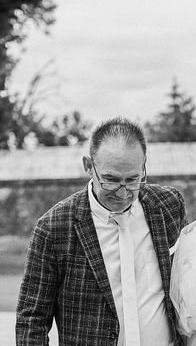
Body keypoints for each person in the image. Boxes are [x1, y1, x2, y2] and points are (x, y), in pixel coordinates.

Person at [16, 117, 187, 346]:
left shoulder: (168, 206)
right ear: (89, 166)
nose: (123, 192)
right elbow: (32, 320)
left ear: (144, 164)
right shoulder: (53, 229)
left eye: (133, 179)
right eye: (111, 180)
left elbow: (188, 283)